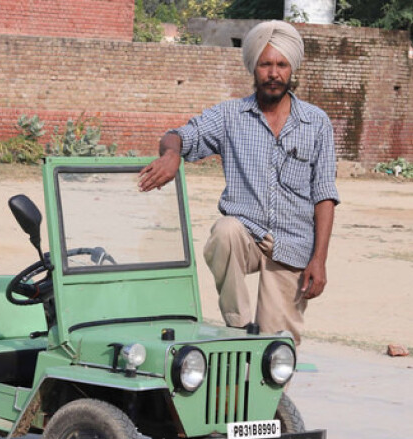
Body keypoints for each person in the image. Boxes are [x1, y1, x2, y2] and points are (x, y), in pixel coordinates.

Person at [138, 20, 339, 345]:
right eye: (266, 64)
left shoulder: (316, 123)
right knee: (226, 230)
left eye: (281, 65)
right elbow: (178, 136)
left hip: (292, 244)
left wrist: (319, 259)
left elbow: (324, 196)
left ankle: (268, 375)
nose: (273, 73)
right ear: (254, 68)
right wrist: (172, 155)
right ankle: (239, 329)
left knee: (277, 351)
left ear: (292, 69)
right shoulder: (231, 116)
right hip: (245, 236)